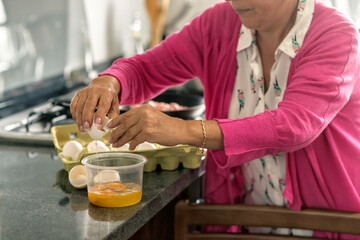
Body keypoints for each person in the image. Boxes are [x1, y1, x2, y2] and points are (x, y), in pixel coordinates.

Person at [70, 0, 360, 238]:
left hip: (330, 226)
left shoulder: (336, 35)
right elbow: (147, 69)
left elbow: (293, 125)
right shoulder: (220, 24)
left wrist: (182, 130)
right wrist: (109, 82)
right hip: (245, 226)